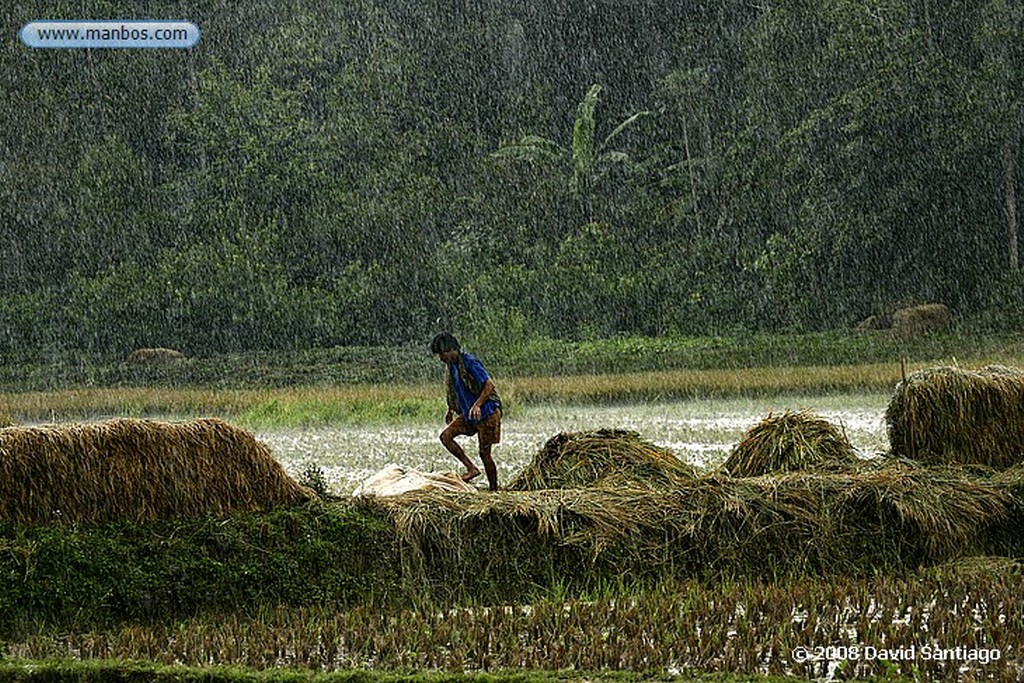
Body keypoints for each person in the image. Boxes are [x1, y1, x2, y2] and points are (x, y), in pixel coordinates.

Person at [430, 332, 501, 491]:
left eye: (442, 353)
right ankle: (471, 468)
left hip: (487, 412)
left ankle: (494, 490)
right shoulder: (452, 366)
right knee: (446, 437)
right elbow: (456, 389)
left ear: (451, 349)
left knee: (484, 453)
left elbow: (489, 385)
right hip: (470, 415)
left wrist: (477, 405)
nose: (441, 358)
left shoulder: (470, 362)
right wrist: (451, 409)